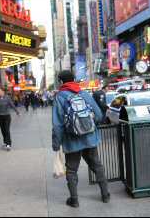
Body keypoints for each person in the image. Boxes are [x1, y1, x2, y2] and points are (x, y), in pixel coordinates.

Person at [52, 70, 110, 208]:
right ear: (74, 79)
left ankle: (74, 200)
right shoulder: (83, 93)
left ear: (61, 82)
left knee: (71, 170)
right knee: (97, 165)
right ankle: (105, 195)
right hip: (90, 138)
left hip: (72, 141)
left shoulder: (60, 97)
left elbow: (57, 124)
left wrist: (56, 144)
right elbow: (98, 114)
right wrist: (89, 126)